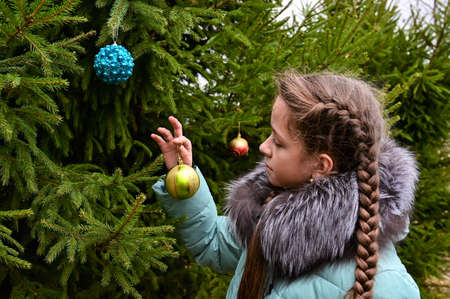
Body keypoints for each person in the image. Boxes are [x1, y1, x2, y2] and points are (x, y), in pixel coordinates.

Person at [151, 72, 421, 299]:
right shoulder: (271, 211)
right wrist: (182, 176)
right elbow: (214, 244)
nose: (263, 147)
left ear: (321, 166)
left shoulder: (388, 286)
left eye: (278, 142)